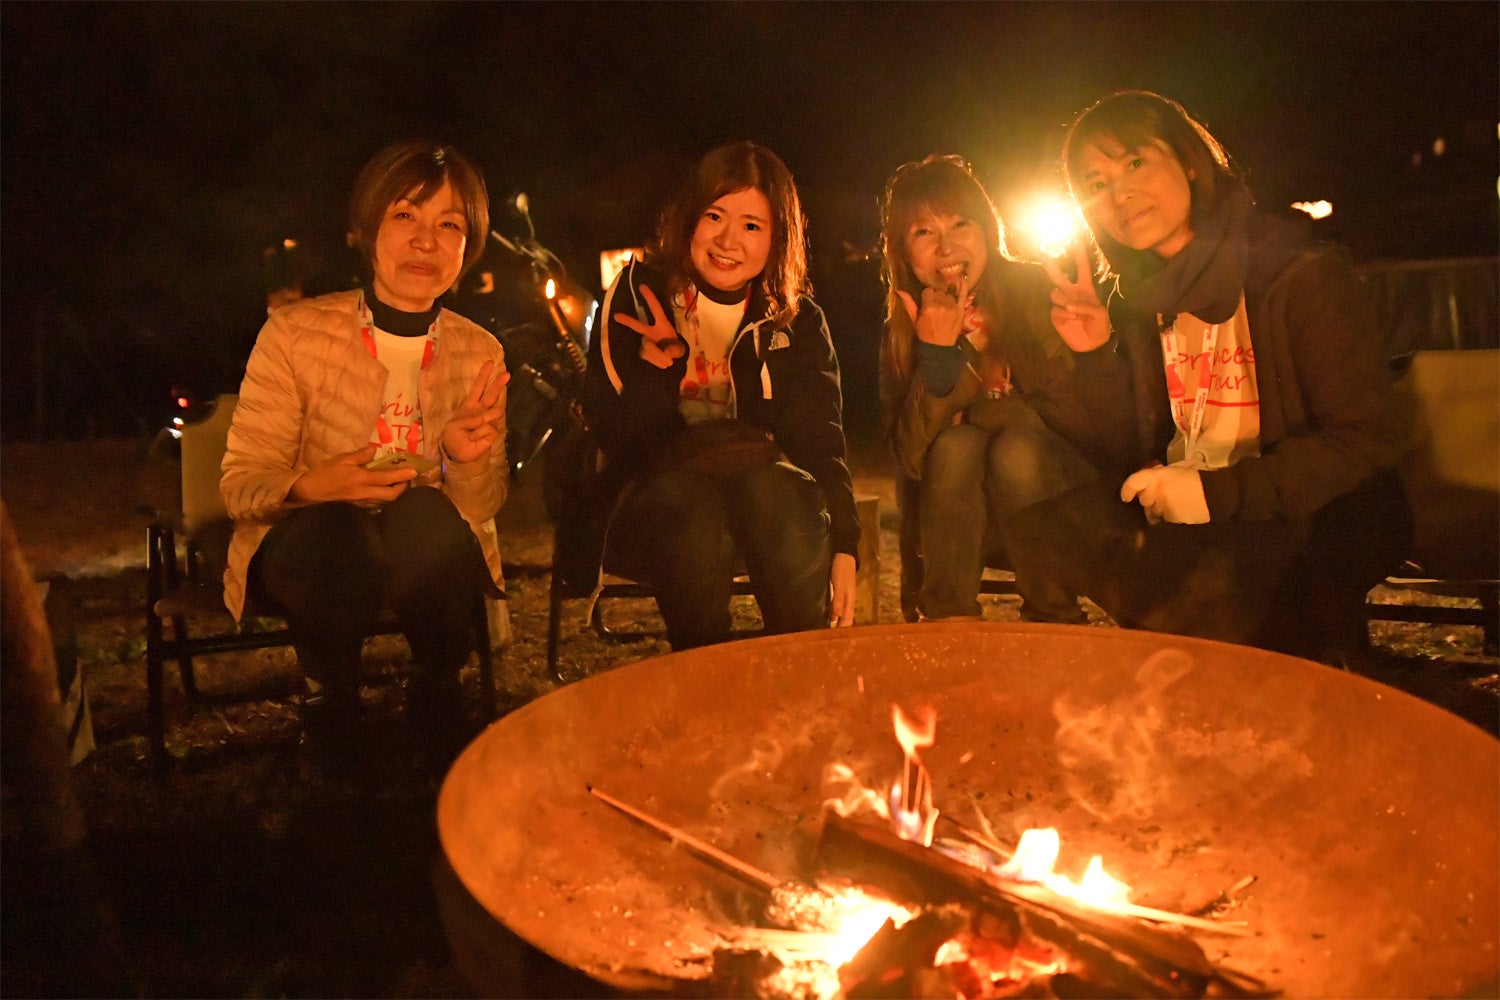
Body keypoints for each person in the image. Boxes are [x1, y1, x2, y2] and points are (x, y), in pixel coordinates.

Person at [1019, 90, 1411, 663]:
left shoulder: (1299, 276)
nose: (1118, 194)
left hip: (1311, 509)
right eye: (1095, 184)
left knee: (1211, 591)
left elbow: (1364, 442)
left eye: (1134, 162)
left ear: (1189, 161)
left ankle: (1284, 681)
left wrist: (1214, 494)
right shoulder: (1138, 302)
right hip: (1195, 508)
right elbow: (1131, 441)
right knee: (1058, 524)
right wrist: (1096, 354)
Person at [220, 141, 508, 750]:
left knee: (425, 515)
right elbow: (242, 483)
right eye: (405, 216)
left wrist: (462, 461)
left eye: (449, 225)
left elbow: (481, 507)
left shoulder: (479, 351)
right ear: (366, 230)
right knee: (337, 530)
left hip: (420, 550)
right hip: (310, 548)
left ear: (468, 246)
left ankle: (437, 687)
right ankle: (331, 698)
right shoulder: (295, 333)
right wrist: (311, 485)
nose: (425, 241)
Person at [581, 141, 857, 649]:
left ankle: (798, 660)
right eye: (714, 216)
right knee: (690, 503)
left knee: (777, 489)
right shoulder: (640, 295)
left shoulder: (793, 319)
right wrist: (657, 373)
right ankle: (703, 664)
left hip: (763, 499)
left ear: (777, 237)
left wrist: (846, 546)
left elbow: (821, 441)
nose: (729, 240)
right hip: (657, 503)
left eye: (752, 225)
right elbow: (615, 436)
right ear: (689, 216)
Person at [878, 155, 1135, 623]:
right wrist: (938, 357)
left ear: (987, 230)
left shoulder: (1036, 292)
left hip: (1057, 497)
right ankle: (950, 621)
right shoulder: (905, 325)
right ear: (903, 251)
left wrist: (987, 413)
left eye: (960, 223)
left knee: (1014, 450)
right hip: (963, 517)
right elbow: (911, 460)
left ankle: (1053, 614)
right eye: (923, 232)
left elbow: (1078, 421)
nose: (945, 247)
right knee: (955, 447)